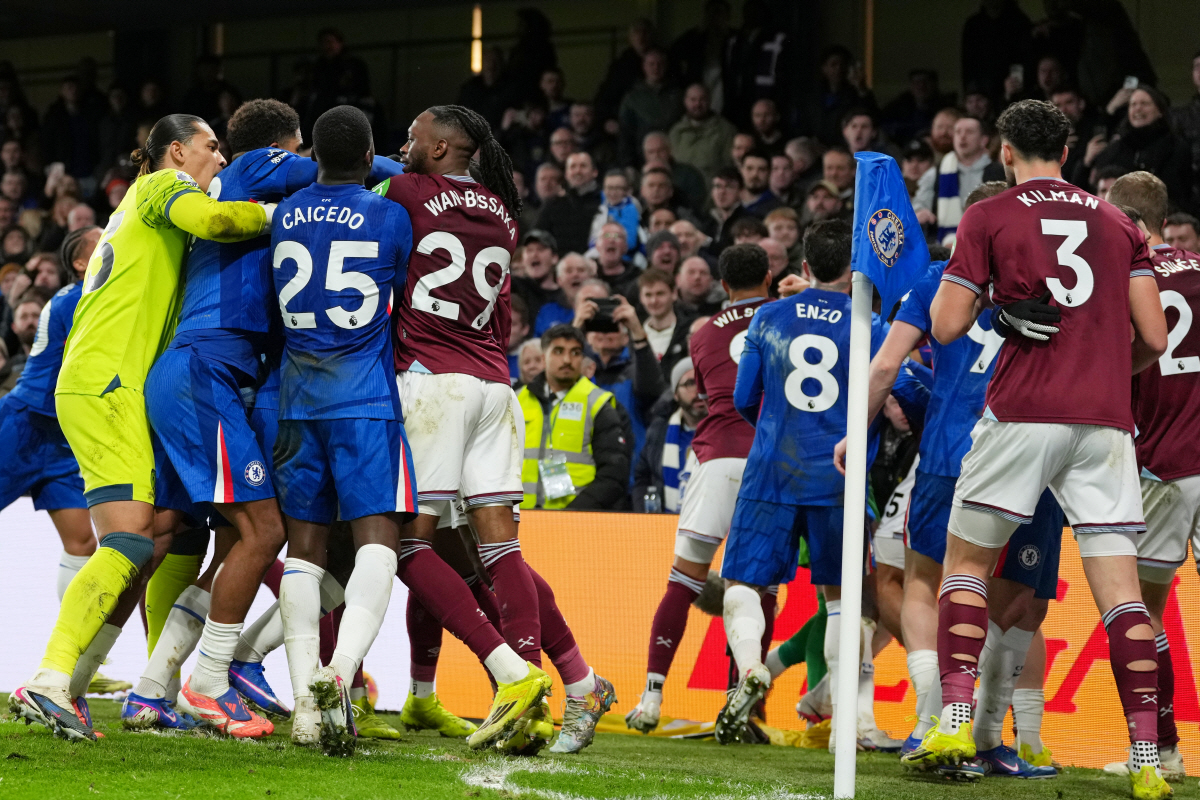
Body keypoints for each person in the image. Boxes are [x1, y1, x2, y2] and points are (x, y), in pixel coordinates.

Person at [907, 99, 1172, 800]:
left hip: (1024, 412)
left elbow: (944, 324)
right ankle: (1148, 760)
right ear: (1069, 147)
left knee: (965, 563)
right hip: (1107, 424)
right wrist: (1110, 372)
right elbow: (1153, 338)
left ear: (1003, 152)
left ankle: (957, 722)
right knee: (1123, 601)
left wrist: (997, 307)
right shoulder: (1119, 221)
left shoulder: (988, 215)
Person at [139, 100, 406, 735]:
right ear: (285, 146)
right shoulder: (265, 168)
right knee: (264, 535)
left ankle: (154, 686)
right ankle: (217, 676)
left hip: (234, 374)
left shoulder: (259, 195)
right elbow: (341, 163)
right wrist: (402, 164)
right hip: (234, 374)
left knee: (227, 541)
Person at [9, 114, 272, 742]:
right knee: (128, 543)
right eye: (212, 147)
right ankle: (49, 681)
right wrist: (280, 215)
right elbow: (215, 221)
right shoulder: (158, 187)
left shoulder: (144, 215)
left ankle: (74, 684)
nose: (220, 157)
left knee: (155, 532)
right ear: (176, 151)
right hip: (107, 385)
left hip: (110, 384)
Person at [379, 104, 614, 754]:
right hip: (493, 386)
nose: (404, 143)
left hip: (434, 387)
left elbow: (356, 177)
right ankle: (569, 683)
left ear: (441, 147)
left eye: (413, 135)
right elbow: (502, 313)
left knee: (407, 547)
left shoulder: (406, 190)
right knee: (491, 550)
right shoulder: (504, 211)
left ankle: (518, 682)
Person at [838, 180, 1064, 778]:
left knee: (925, 581)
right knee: (1016, 599)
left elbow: (886, 365)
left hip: (947, 456)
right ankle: (985, 736)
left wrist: (850, 435)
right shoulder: (1055, 279)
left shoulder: (936, 280)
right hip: (1029, 454)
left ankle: (936, 718)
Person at [714, 219, 889, 749]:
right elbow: (887, 398)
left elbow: (744, 396)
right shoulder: (873, 326)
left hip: (772, 468)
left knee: (745, 582)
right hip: (839, 476)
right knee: (841, 601)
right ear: (856, 270)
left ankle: (750, 668)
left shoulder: (768, 317)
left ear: (805, 267)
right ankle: (843, 721)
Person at [625, 243, 771, 734]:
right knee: (756, 583)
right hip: (771, 458)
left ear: (723, 285)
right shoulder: (788, 315)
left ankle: (651, 696)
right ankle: (745, 701)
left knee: (683, 583)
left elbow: (711, 389)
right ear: (769, 277)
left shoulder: (702, 333)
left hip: (717, 455)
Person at [1104, 170, 1195, 781]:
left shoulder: (1125, 279)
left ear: (1129, 221)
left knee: (1143, 611)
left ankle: (1163, 751)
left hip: (1162, 463)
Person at [0, 226, 99, 618]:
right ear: (79, 263)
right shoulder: (79, 299)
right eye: (102, 239)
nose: (113, 239)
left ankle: (71, 654)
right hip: (24, 425)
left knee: (82, 544)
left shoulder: (92, 296)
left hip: (62, 439)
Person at [518, 323, 631, 512]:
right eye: (559, 351)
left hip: (577, 520)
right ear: (544, 357)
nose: (567, 360)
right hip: (521, 518)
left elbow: (614, 474)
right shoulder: (518, 400)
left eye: (575, 352)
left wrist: (573, 514)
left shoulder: (597, 403)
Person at [1091, 87, 1193, 212]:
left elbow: (1180, 191)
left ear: (1160, 111)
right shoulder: (1115, 149)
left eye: (1145, 103)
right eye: (1133, 104)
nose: (1138, 108)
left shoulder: (1176, 147)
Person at [633, 357, 707, 513]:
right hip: (663, 526)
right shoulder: (659, 431)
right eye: (690, 383)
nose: (699, 390)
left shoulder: (727, 434)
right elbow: (642, 477)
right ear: (675, 394)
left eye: (703, 381)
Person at [934, 116, 1005, 244]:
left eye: (969, 132)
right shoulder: (940, 170)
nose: (962, 137)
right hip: (947, 241)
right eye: (958, 132)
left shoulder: (998, 171)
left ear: (983, 140)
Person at [617, 48, 683, 167]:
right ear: (644, 67)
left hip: (675, 160)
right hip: (641, 162)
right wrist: (628, 165)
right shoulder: (632, 98)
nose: (656, 68)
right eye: (651, 64)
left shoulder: (678, 95)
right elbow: (625, 135)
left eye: (660, 64)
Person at [669, 83, 737, 185]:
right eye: (693, 100)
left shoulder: (726, 130)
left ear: (710, 101)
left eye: (702, 99)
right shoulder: (676, 131)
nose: (697, 104)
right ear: (685, 101)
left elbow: (729, 169)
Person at [536, 151, 601, 255]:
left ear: (595, 172)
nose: (577, 171)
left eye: (583, 166)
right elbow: (537, 237)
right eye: (573, 167)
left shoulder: (604, 202)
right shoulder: (552, 204)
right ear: (566, 174)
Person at [637, 267, 690, 379]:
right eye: (648, 295)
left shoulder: (689, 331)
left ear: (674, 294)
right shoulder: (634, 333)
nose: (654, 301)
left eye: (660, 294)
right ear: (641, 298)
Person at [510, 229, 559, 320]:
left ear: (554, 258)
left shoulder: (565, 296)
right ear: (523, 260)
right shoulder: (513, 288)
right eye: (529, 250)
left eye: (540, 249)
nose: (534, 254)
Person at [739, 150, 781, 218]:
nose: (755, 174)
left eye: (761, 169)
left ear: (769, 172)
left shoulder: (777, 210)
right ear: (741, 170)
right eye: (749, 168)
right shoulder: (731, 202)